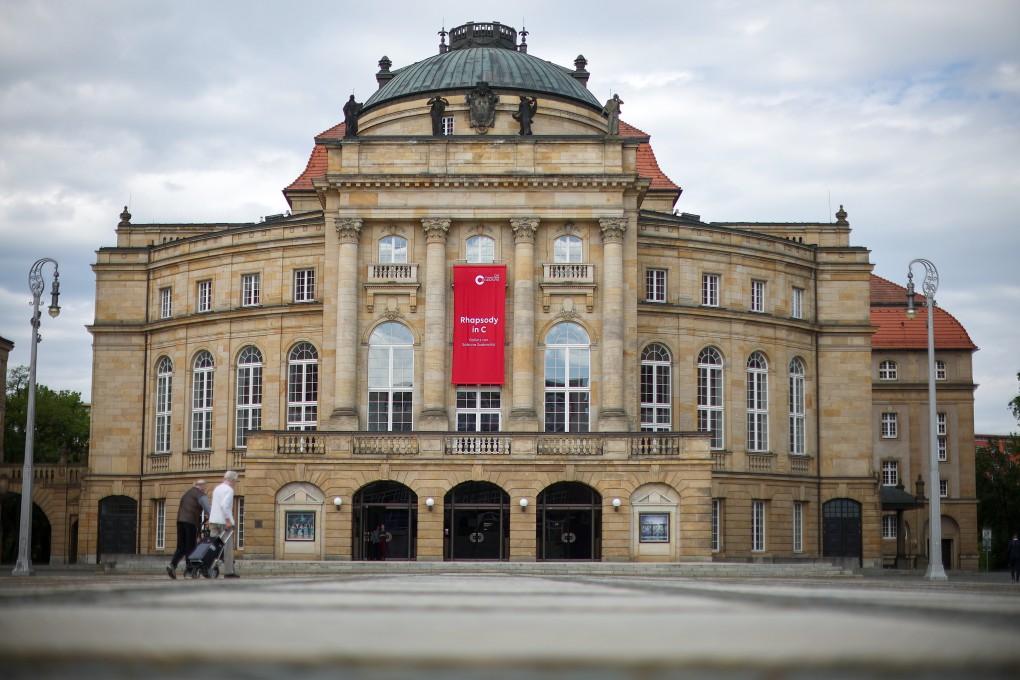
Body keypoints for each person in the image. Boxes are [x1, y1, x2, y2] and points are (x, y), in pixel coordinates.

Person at [166, 479, 210, 579]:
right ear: (203, 487)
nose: (205, 490)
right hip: (190, 522)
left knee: (181, 546)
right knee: (190, 546)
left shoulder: (187, 493)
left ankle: (172, 565)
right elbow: (208, 509)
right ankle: (189, 570)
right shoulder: (201, 495)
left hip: (180, 521)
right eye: (205, 488)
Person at [209, 470, 239, 578]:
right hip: (223, 523)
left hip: (213, 521)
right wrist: (228, 520)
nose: (235, 483)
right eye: (235, 481)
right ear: (232, 480)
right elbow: (224, 505)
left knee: (214, 547)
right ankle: (229, 572)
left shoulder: (217, 489)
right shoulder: (229, 490)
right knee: (227, 548)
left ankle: (209, 566)